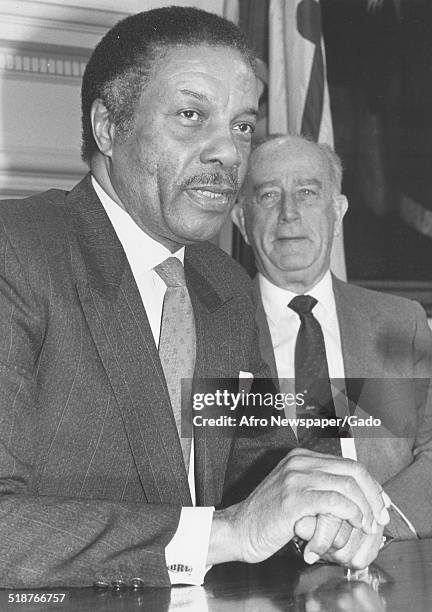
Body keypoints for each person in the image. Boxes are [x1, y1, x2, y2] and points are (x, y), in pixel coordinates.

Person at [0, 8, 388, 589]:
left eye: (240, 127)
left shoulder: (224, 285)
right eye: (190, 116)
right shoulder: (17, 252)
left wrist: (319, 514)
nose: (229, 154)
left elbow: (257, 472)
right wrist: (225, 533)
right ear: (108, 126)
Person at [231, 134, 432, 554]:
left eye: (307, 192)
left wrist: (375, 523)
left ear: (337, 212)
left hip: (388, 568)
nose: (289, 213)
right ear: (241, 220)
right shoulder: (211, 329)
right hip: (254, 579)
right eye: (269, 195)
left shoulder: (402, 323)